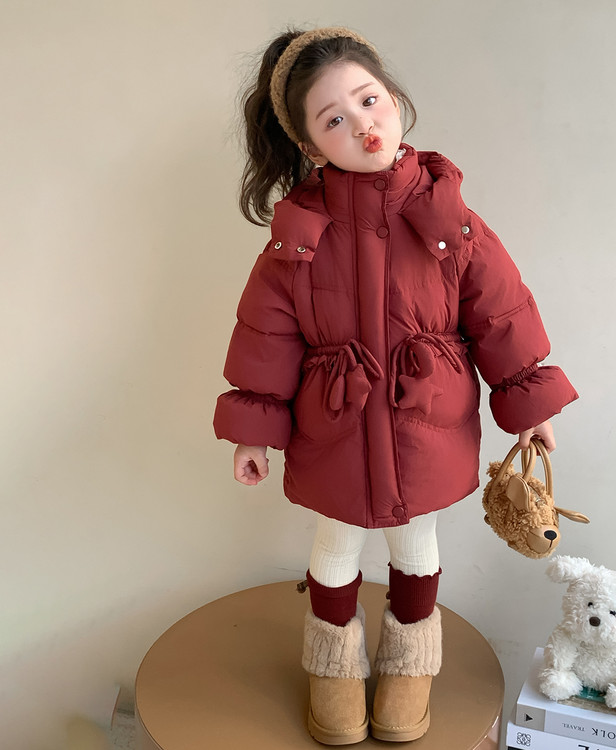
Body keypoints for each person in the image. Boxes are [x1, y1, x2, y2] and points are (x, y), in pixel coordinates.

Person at [214, 26, 578, 745]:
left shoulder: (446, 217)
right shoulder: (299, 234)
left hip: (425, 421)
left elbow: (499, 309)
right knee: (336, 544)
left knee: (416, 542)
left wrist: (528, 397)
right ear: (311, 146)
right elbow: (266, 335)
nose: (362, 124)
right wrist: (253, 432)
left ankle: (410, 669)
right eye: (334, 119)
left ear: (394, 97)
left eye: (369, 99)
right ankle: (334, 672)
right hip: (336, 425)